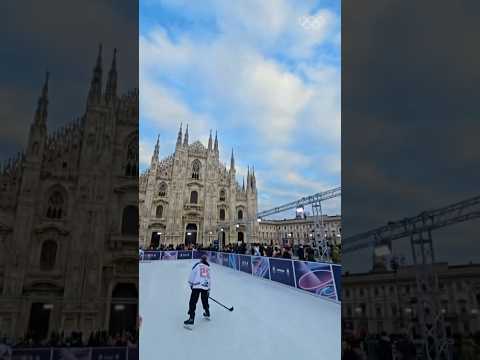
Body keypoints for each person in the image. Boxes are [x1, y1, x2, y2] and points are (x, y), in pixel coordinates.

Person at [184, 254, 211, 326]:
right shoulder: (208, 267)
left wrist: (191, 284)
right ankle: (207, 312)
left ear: (201, 260)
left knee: (193, 302)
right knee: (205, 300)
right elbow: (209, 279)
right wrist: (208, 289)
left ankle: (191, 319)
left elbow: (192, 275)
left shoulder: (197, 265)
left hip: (196, 285)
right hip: (205, 286)